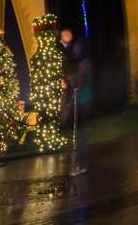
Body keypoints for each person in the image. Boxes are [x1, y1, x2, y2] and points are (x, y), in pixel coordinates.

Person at [59, 28, 92, 176]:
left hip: (84, 102)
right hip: (82, 101)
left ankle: (82, 164)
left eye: (78, 48)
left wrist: (69, 82)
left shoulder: (85, 64)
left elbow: (79, 84)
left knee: (82, 135)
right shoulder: (82, 63)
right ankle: (81, 163)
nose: (75, 50)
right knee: (80, 134)